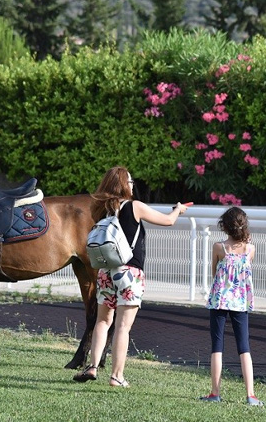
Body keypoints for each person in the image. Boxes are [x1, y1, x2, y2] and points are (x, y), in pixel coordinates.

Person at [73, 166, 191, 387]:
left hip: (106, 271)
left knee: (102, 321)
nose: (132, 184)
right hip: (130, 273)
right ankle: (117, 376)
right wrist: (178, 210)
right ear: (123, 185)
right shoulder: (135, 207)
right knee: (122, 327)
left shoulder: (100, 209)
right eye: (130, 181)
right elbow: (168, 221)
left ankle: (92, 366)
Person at [199, 207, 262, 406]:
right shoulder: (250, 249)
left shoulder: (219, 247)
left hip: (219, 300)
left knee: (217, 346)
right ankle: (251, 394)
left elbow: (214, 272)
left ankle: (215, 392)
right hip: (241, 301)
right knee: (244, 347)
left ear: (224, 226)